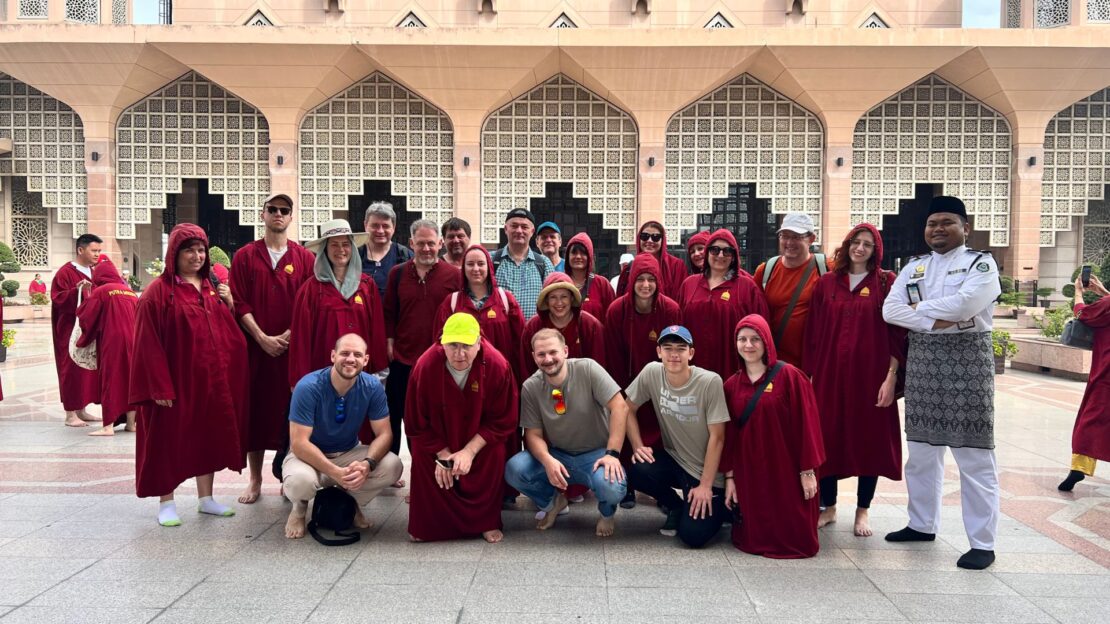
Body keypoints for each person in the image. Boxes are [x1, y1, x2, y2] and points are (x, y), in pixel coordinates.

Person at [882, 195, 1002, 570]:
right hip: (924, 362)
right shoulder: (914, 267)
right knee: (921, 452)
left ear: (965, 227)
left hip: (968, 362)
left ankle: (982, 542)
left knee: (974, 455)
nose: (938, 229)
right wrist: (939, 318)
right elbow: (890, 310)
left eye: (946, 222)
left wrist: (918, 311)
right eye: (932, 223)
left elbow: (968, 306)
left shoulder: (980, 263)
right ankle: (921, 524)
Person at [129, 224, 247, 527]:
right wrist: (158, 386)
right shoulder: (158, 293)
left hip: (209, 382)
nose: (197, 256)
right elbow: (146, 342)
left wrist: (229, 304)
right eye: (189, 250)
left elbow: (224, 332)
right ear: (175, 253)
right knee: (166, 440)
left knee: (207, 437)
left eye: (201, 250)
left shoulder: (210, 287)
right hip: (174, 384)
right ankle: (166, 502)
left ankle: (206, 498)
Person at [803, 224, 905, 536]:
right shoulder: (827, 284)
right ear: (847, 245)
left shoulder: (886, 283)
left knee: (869, 440)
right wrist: (809, 376)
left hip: (870, 376)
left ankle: (863, 510)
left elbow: (897, 334)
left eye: (867, 245)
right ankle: (830, 507)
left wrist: (890, 378)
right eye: (855, 242)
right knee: (826, 438)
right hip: (829, 375)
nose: (860, 249)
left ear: (876, 251)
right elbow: (812, 333)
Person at [229, 193, 316, 503]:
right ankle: (255, 479)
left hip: (292, 353)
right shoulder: (245, 256)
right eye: (273, 209)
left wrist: (289, 335)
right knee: (255, 414)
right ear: (263, 214)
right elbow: (239, 301)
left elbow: (309, 302)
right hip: (255, 350)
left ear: (291, 217)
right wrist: (261, 337)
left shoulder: (304, 258)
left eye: (284, 210)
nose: (278, 214)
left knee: (291, 413)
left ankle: (286, 474)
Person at [406, 314, 519, 542]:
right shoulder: (425, 366)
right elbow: (416, 422)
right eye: (453, 345)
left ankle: (486, 521)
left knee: (495, 452)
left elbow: (503, 419)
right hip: (439, 440)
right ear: (442, 343)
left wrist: (469, 451)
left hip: (479, 439)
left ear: (479, 342)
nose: (459, 354)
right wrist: (443, 454)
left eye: (466, 346)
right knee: (421, 453)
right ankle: (430, 523)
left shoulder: (497, 365)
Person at [505, 329, 629, 537]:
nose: (548, 359)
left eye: (553, 352)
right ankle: (554, 502)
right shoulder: (531, 387)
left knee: (612, 487)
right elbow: (533, 434)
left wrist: (612, 453)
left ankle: (607, 513)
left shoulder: (587, 369)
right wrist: (547, 460)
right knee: (515, 469)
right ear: (534, 356)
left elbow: (620, 407)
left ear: (565, 351)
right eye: (541, 354)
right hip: (559, 454)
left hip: (596, 454)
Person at [722, 315, 825, 558]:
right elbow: (729, 436)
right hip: (750, 467)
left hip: (787, 465)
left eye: (755, 339)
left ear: (766, 341)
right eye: (742, 339)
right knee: (755, 529)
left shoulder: (790, 376)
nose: (748, 345)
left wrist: (807, 471)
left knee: (797, 534)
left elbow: (808, 425)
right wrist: (730, 477)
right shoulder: (731, 385)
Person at [283, 334, 404, 539]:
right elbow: (299, 443)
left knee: (393, 466)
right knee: (299, 482)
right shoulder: (308, 386)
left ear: (365, 360)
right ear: (333, 356)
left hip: (348, 452)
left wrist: (367, 464)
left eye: (357, 355)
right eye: (345, 353)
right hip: (308, 456)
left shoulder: (372, 386)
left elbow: (384, 434)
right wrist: (335, 472)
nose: (350, 359)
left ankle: (350, 503)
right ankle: (299, 508)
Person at [433, 244, 526, 506]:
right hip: (461, 382)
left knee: (499, 433)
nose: (476, 269)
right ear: (463, 268)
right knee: (466, 433)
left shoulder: (505, 300)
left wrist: (520, 382)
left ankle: (504, 491)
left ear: (489, 268)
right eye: (470, 264)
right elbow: (439, 344)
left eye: (481, 264)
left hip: (499, 383)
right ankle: (464, 486)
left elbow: (520, 343)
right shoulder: (452, 303)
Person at [625, 325, 730, 547]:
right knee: (636, 469)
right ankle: (674, 505)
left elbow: (718, 437)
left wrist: (705, 486)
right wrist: (637, 445)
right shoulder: (652, 372)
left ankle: (720, 507)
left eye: (681, 349)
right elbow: (627, 408)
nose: (674, 354)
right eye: (668, 348)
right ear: (659, 352)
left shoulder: (710, 382)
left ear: (691, 353)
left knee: (693, 537)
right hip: (675, 460)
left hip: (705, 472)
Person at [605, 252, 682, 508]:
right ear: (631, 281)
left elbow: (675, 350)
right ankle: (625, 484)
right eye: (640, 279)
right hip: (625, 382)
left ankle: (659, 490)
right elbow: (613, 353)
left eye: (651, 279)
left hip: (660, 384)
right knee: (625, 431)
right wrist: (619, 393)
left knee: (659, 437)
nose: (646, 285)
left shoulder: (670, 309)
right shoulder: (617, 310)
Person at [384, 220, 461, 461]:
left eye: (430, 243)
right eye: (420, 243)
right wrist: (389, 341)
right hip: (403, 360)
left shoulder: (455, 276)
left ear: (440, 243)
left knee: (431, 420)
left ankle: (429, 468)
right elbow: (389, 312)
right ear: (411, 243)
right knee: (396, 415)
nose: (426, 249)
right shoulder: (397, 273)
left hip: (439, 362)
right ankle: (391, 467)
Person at [289, 219, 389, 390]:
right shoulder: (311, 289)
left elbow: (377, 332)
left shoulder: (366, 286)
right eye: (334, 244)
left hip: (359, 375)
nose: (341, 250)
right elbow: (301, 339)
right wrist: (300, 381)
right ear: (325, 249)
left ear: (352, 248)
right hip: (321, 375)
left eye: (345, 244)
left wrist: (378, 372)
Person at [678, 230, 769, 379]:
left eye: (727, 251)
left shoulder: (747, 287)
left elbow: (761, 330)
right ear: (707, 253)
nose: (720, 255)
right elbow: (678, 325)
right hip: (692, 370)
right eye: (714, 250)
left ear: (734, 256)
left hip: (731, 370)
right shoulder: (689, 284)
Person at [753, 213, 829, 366]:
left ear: (811, 239)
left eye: (796, 237)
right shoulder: (766, 271)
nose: (789, 242)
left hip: (813, 363)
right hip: (775, 363)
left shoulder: (827, 269)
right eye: (785, 236)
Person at [75, 257, 138, 437]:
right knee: (131, 381)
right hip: (134, 341)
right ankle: (131, 424)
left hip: (113, 341)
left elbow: (86, 315)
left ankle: (108, 426)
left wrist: (86, 294)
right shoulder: (130, 292)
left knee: (112, 380)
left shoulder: (102, 291)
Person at [1059, 274, 1110, 492]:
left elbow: (1083, 314)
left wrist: (1078, 292)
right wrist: (1104, 292)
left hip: (1106, 374)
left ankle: (1078, 468)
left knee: (1091, 419)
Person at [50, 233, 102, 427]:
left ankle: (82, 410)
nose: (97, 254)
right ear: (80, 250)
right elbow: (57, 298)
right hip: (69, 329)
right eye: (94, 250)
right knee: (70, 369)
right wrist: (76, 291)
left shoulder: (94, 272)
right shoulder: (65, 273)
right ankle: (70, 414)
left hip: (89, 329)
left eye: (99, 251)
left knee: (85, 369)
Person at [520, 273, 605, 379]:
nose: (559, 303)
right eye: (553, 297)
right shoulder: (532, 327)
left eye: (564, 297)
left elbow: (599, 368)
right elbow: (526, 369)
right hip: (543, 387)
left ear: (572, 298)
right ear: (546, 300)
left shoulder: (591, 326)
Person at [492, 208, 554, 321]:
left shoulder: (544, 264)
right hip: (499, 330)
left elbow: (552, 302)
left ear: (532, 231)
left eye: (524, 227)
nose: (519, 231)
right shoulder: (491, 260)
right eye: (514, 226)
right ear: (506, 229)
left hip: (533, 331)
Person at [616, 221, 687, 301]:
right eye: (644, 236)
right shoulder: (629, 268)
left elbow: (682, 298)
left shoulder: (676, 266)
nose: (649, 240)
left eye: (655, 237)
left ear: (663, 240)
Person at [359, 201, 414, 298]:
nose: (380, 231)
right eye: (375, 225)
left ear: (394, 227)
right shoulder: (355, 255)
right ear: (365, 225)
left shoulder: (405, 255)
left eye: (385, 226)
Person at [564, 233, 616, 327]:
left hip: (597, 335)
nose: (578, 256)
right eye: (574, 253)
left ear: (590, 256)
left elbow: (613, 318)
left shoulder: (602, 284)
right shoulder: (561, 283)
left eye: (583, 253)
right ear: (567, 256)